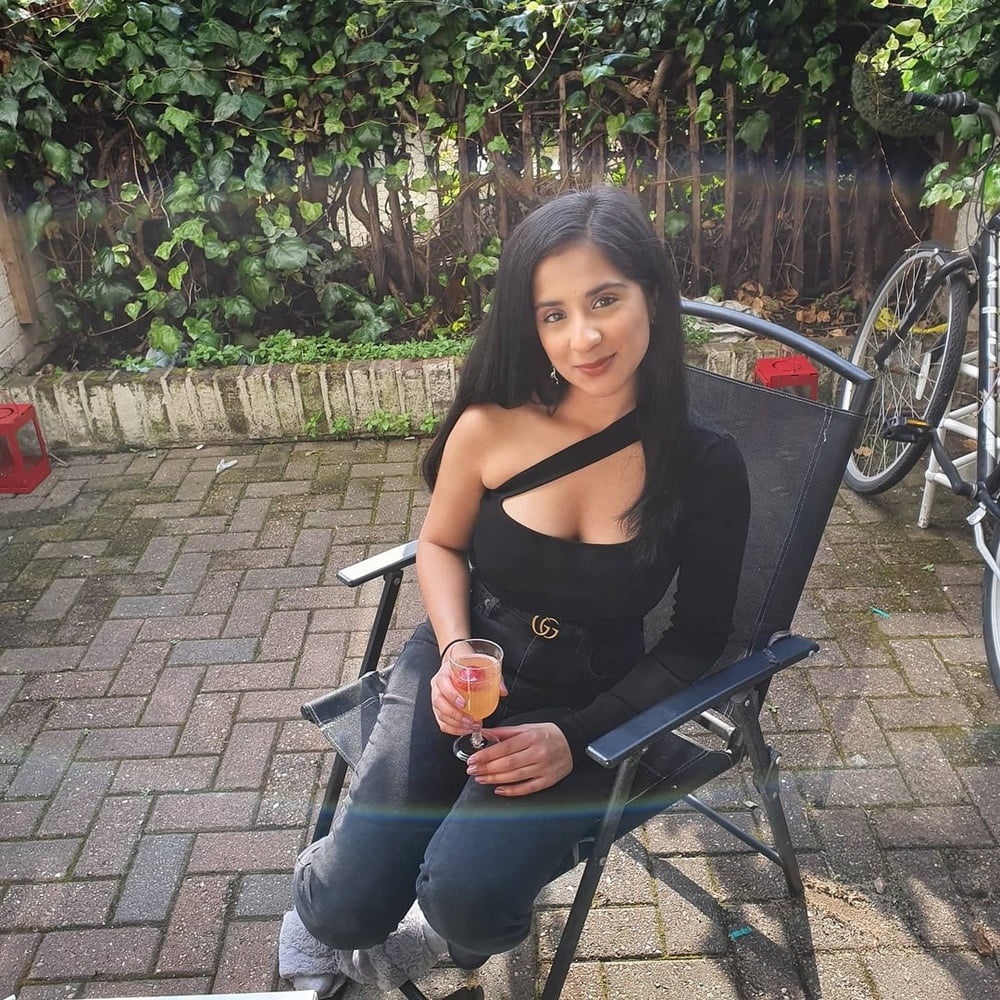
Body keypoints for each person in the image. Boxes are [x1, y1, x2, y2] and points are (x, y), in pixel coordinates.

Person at [278, 185, 751, 996]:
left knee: (467, 902)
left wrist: (577, 736)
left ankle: (440, 930)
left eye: (605, 300)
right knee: (345, 905)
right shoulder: (492, 423)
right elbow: (439, 544)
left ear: (651, 295)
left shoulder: (704, 465)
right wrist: (453, 650)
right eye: (553, 314)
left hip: (595, 701)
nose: (584, 337)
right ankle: (327, 895)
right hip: (464, 662)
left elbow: (696, 640)